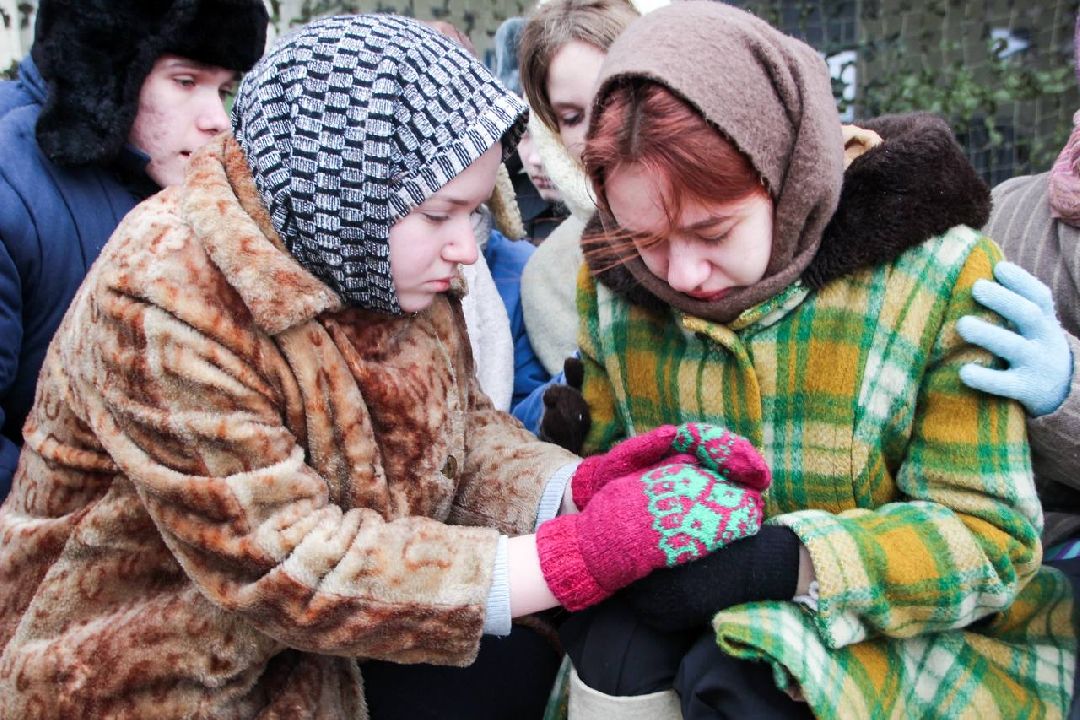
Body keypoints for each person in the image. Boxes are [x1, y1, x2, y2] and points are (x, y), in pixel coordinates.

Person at [0, 14, 771, 718]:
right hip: (146, 672)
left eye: (474, 211)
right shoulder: (166, 294)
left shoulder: (379, 257)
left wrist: (572, 490)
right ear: (342, 192)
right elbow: (285, 563)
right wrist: (573, 555)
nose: (469, 245)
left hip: (327, 646)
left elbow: (457, 437)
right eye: (441, 213)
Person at [557, 3, 1076, 718]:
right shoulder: (613, 292)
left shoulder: (936, 277)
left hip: (914, 638)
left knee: (738, 678)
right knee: (614, 651)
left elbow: (992, 542)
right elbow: (611, 476)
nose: (680, 275)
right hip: (678, 625)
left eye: (714, 230)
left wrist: (782, 563)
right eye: (644, 236)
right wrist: (577, 463)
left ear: (786, 172)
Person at [0, 0, 268, 501]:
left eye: (224, 89)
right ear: (103, 69)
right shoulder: (10, 188)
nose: (218, 120)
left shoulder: (192, 189)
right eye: (185, 81)